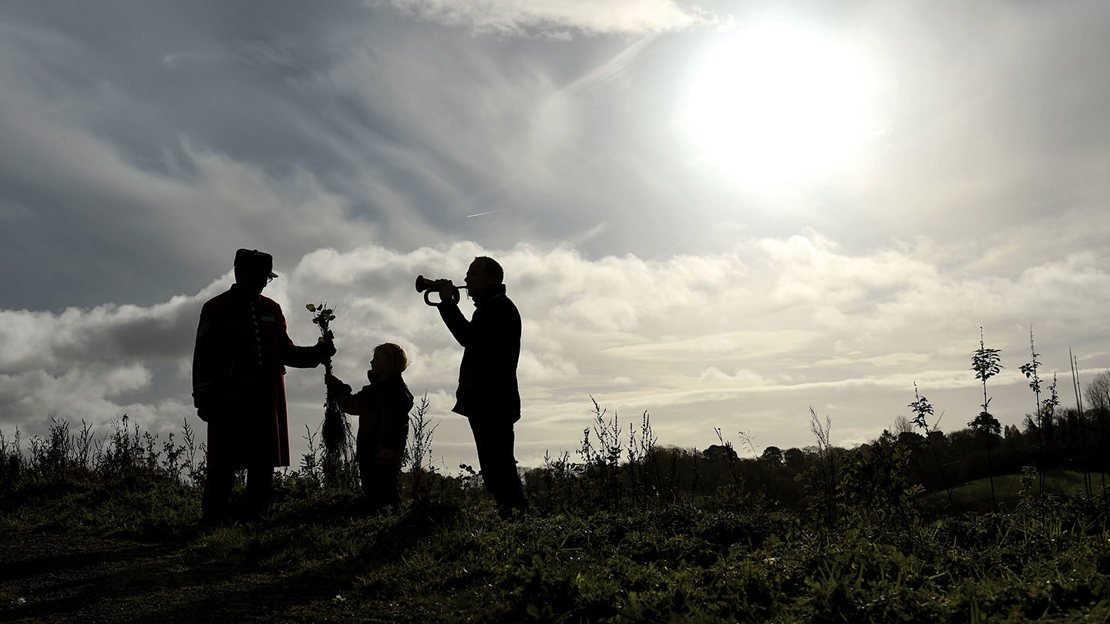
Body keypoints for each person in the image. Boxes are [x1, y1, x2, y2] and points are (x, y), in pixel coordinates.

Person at [192, 248, 335, 523]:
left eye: (265, 279)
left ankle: (254, 520)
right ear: (240, 274)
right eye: (258, 277)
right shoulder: (215, 308)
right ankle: (213, 522)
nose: (262, 283)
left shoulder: (272, 308)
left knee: (262, 463)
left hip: (266, 398)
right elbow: (203, 355)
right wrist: (203, 396)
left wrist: (317, 353)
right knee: (223, 463)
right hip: (229, 398)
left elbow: (286, 351)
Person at [433, 256, 527, 517]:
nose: (466, 280)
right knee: (494, 467)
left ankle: (517, 520)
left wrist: (448, 304)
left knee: (499, 467)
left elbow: (468, 338)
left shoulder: (498, 308)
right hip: (488, 400)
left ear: (492, 279)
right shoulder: (491, 308)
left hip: (492, 400)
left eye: (473, 274)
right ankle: (512, 519)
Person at [325, 343, 415, 510]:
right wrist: (337, 388)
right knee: (379, 497)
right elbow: (351, 405)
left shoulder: (390, 393)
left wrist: (338, 389)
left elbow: (353, 405)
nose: (372, 362)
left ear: (390, 363)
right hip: (374, 452)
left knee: (381, 498)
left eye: (377, 358)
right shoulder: (382, 390)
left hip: (380, 453)